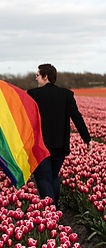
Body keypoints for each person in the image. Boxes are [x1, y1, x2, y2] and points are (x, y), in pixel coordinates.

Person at [27, 64, 91, 207]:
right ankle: (55, 209)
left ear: (46, 76)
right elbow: (77, 117)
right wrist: (87, 138)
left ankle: (51, 211)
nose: (36, 78)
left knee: (43, 178)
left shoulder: (33, 94)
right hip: (60, 144)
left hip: (40, 145)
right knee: (53, 176)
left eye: (38, 75)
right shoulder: (66, 94)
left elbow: (24, 119)